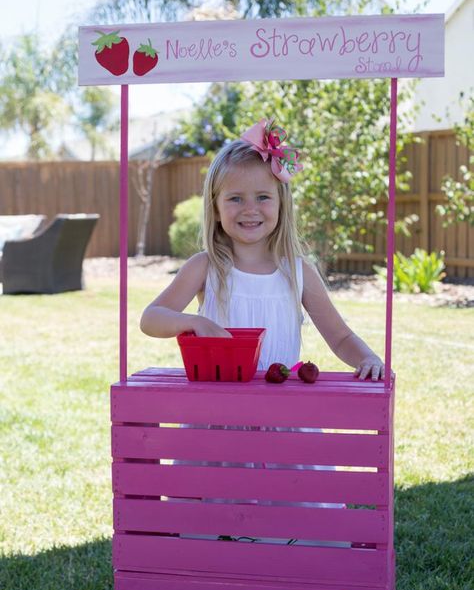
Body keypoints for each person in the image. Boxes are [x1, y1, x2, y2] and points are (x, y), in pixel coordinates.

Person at [140, 118, 387, 546]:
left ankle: (290, 573)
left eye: (262, 197)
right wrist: (194, 321)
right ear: (215, 206)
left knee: (298, 516)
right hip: (217, 423)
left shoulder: (297, 270)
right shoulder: (206, 267)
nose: (249, 208)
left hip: (285, 418)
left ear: (281, 202)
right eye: (235, 198)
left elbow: (339, 335)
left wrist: (366, 357)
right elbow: (151, 317)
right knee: (219, 519)